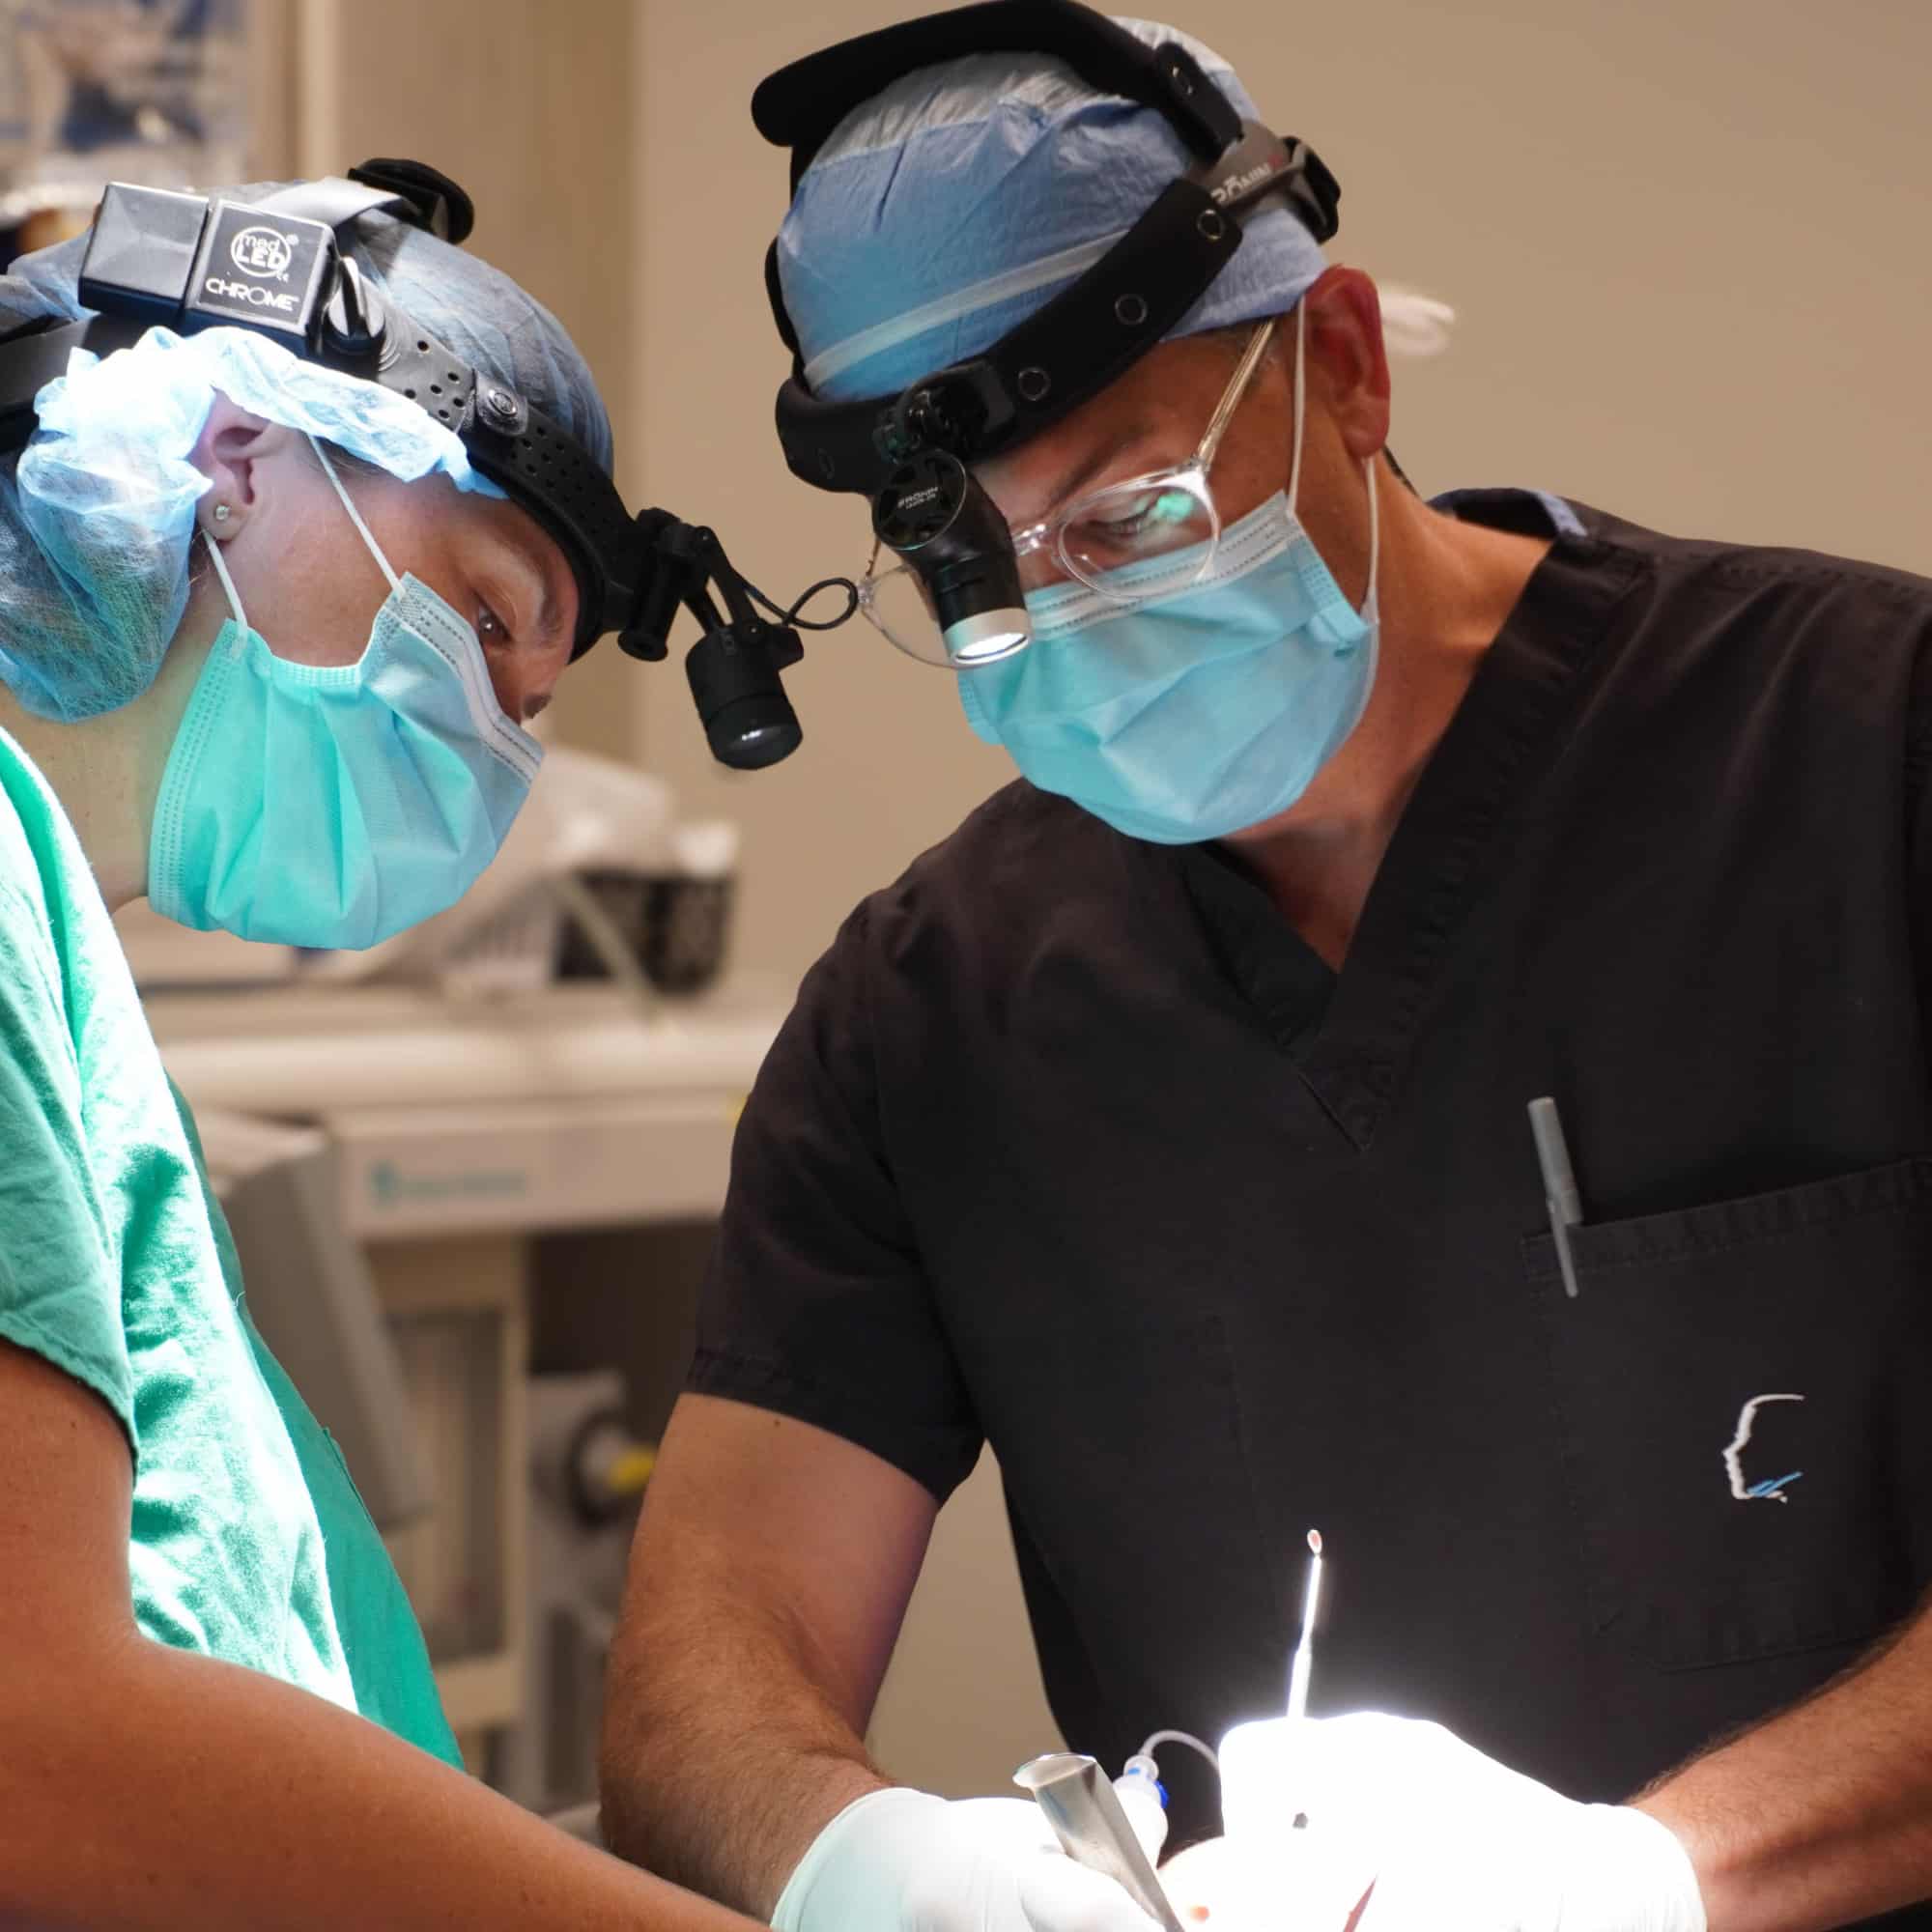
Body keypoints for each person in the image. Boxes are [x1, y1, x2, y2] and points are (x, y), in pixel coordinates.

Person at [595, 10, 1932, 1932]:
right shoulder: (930, 1010)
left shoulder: (1858, 754)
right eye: (979, 575)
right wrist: (876, 1869)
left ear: (1351, 366)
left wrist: (1644, 1880)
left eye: (1133, 511)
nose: (1066, 609)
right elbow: (701, 1682)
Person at [0, 176, 763, 1931]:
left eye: (533, 707)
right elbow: (40, 1743)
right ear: (243, 449)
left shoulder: (70, 973)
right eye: (486, 622)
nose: (490, 745)